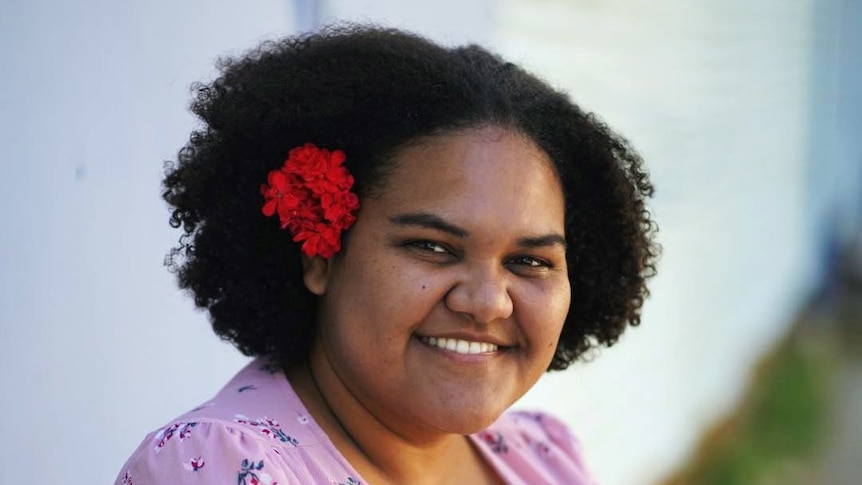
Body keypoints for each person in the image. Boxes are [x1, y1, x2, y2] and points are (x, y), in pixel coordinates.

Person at [115, 24, 658, 485]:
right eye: (433, 247)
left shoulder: (543, 457)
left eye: (530, 261)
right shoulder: (216, 468)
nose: (488, 302)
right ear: (318, 253)